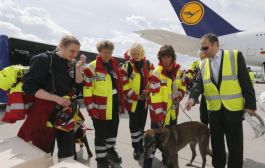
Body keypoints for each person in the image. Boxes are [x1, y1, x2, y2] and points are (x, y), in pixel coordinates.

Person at [185, 33, 256, 168]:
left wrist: (250, 105)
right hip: (214, 111)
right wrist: (192, 98)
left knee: (235, 145)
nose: (203, 51)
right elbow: (198, 83)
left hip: (233, 110)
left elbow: (246, 82)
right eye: (202, 49)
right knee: (217, 145)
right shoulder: (203, 64)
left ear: (215, 44)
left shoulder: (235, 56)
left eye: (205, 48)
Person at [17, 35, 86, 160]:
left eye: (77, 52)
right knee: (43, 151)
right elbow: (29, 87)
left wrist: (78, 69)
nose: (74, 54)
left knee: (68, 151)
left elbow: (79, 86)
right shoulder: (43, 59)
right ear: (61, 46)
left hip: (66, 113)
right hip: (45, 113)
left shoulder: (73, 64)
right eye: (72, 51)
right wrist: (56, 99)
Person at [144, 44, 186, 168]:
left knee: (169, 142)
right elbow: (154, 98)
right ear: (160, 58)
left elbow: (182, 87)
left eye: (168, 57)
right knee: (152, 142)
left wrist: (178, 96)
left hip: (172, 114)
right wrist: (159, 117)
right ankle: (147, 165)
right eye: (163, 57)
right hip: (158, 115)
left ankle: (167, 161)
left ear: (172, 57)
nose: (166, 60)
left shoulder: (178, 71)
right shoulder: (156, 73)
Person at [83, 40, 123, 168]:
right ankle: (101, 159)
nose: (107, 54)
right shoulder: (91, 68)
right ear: (99, 52)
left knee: (112, 131)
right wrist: (91, 109)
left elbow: (119, 85)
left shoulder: (115, 66)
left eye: (109, 52)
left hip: (113, 106)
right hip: (99, 108)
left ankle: (110, 151)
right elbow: (87, 90)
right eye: (104, 52)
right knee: (101, 134)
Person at [122, 43, 153, 160]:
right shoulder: (127, 66)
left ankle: (140, 144)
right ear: (130, 54)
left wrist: (148, 91)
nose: (135, 56)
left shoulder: (148, 65)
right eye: (133, 53)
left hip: (144, 101)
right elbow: (124, 85)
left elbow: (152, 80)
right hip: (133, 101)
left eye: (138, 53)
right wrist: (136, 96)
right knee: (134, 126)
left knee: (141, 125)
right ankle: (136, 147)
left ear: (142, 54)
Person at [186, 51, 208, 125]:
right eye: (201, 57)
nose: (202, 59)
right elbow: (198, 82)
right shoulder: (199, 64)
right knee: (203, 116)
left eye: (204, 57)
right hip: (204, 92)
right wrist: (192, 99)